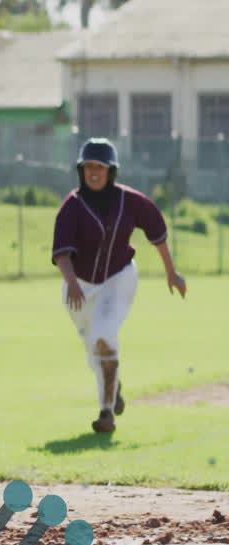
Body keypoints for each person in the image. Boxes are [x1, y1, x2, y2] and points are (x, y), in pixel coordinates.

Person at [51, 137, 188, 433]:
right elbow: (62, 252)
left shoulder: (130, 200)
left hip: (119, 278)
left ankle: (106, 414)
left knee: (105, 335)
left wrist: (172, 273)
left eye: (99, 166)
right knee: (94, 353)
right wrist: (72, 282)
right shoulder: (72, 205)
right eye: (88, 166)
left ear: (111, 170)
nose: (93, 172)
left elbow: (158, 234)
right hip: (79, 287)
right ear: (81, 170)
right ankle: (114, 385)